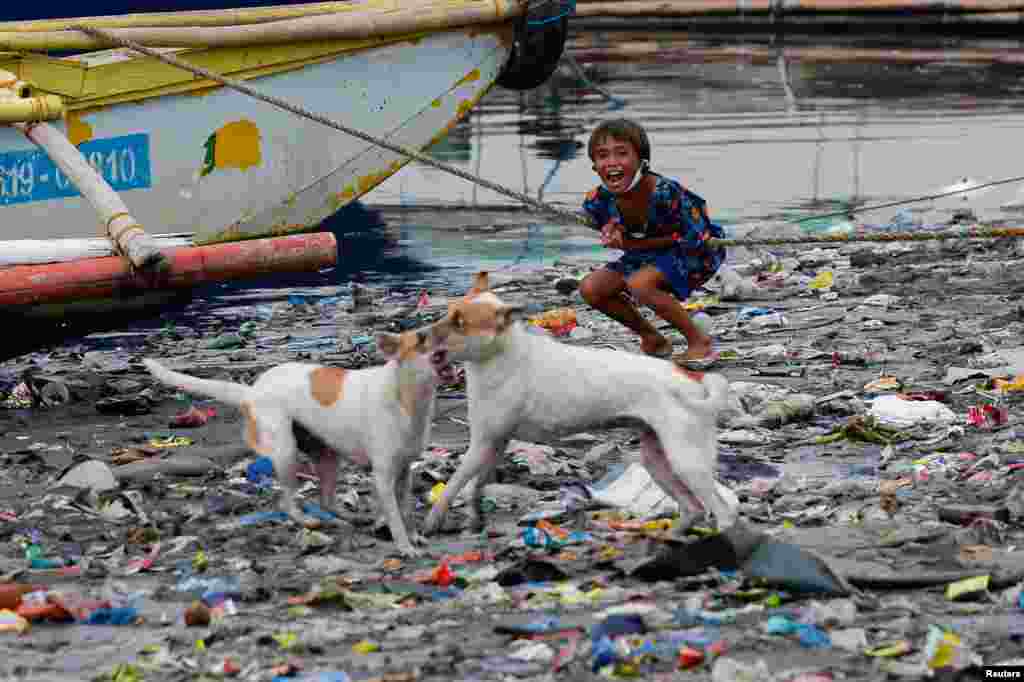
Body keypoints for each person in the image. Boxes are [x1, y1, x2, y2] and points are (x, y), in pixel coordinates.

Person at [579, 118, 724, 369]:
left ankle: (700, 342)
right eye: (602, 156)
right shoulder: (597, 199)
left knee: (640, 283)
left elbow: (696, 237)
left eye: (622, 153)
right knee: (591, 287)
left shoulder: (665, 192)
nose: (612, 162)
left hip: (695, 252)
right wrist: (611, 228)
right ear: (594, 166)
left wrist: (632, 245)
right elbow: (604, 220)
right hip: (647, 255)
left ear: (642, 160)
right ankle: (653, 339)